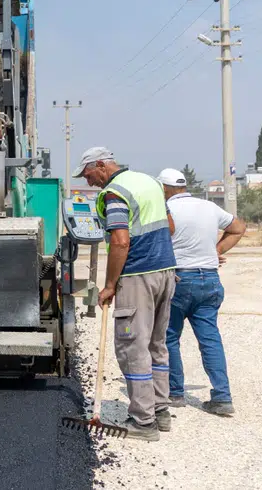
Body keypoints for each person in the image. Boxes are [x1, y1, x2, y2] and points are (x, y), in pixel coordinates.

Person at [79, 147, 177, 441]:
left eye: (88, 175)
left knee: (132, 347)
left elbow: (120, 242)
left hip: (137, 277)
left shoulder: (114, 193)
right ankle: (160, 411)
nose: (89, 182)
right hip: (166, 272)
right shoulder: (150, 183)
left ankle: (143, 422)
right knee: (156, 345)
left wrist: (110, 285)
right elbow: (170, 227)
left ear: (100, 165)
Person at [157, 167, 246, 416]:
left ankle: (175, 393)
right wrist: (215, 252)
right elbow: (238, 228)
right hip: (209, 279)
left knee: (170, 336)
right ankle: (222, 397)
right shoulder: (209, 207)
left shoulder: (167, 210)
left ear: (164, 189)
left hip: (180, 278)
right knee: (210, 338)